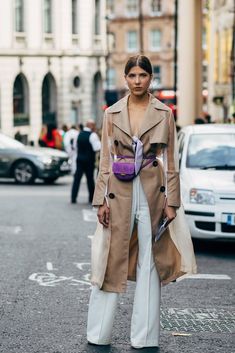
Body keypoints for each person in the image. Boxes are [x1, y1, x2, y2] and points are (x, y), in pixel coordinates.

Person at [87, 55, 196, 349]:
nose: (137, 81)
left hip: (151, 189)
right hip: (118, 190)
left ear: (150, 79)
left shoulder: (164, 112)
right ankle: (98, 333)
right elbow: (105, 160)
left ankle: (144, 337)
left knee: (150, 258)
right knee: (110, 257)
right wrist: (100, 202)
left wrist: (172, 201)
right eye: (132, 75)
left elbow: (171, 161)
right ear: (125, 79)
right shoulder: (112, 113)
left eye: (142, 76)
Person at [71, 120, 101, 204]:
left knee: (77, 179)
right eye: (94, 125)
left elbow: (74, 146)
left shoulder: (78, 134)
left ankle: (73, 198)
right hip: (89, 160)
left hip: (79, 159)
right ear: (91, 126)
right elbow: (97, 148)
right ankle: (91, 198)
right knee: (90, 180)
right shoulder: (93, 135)